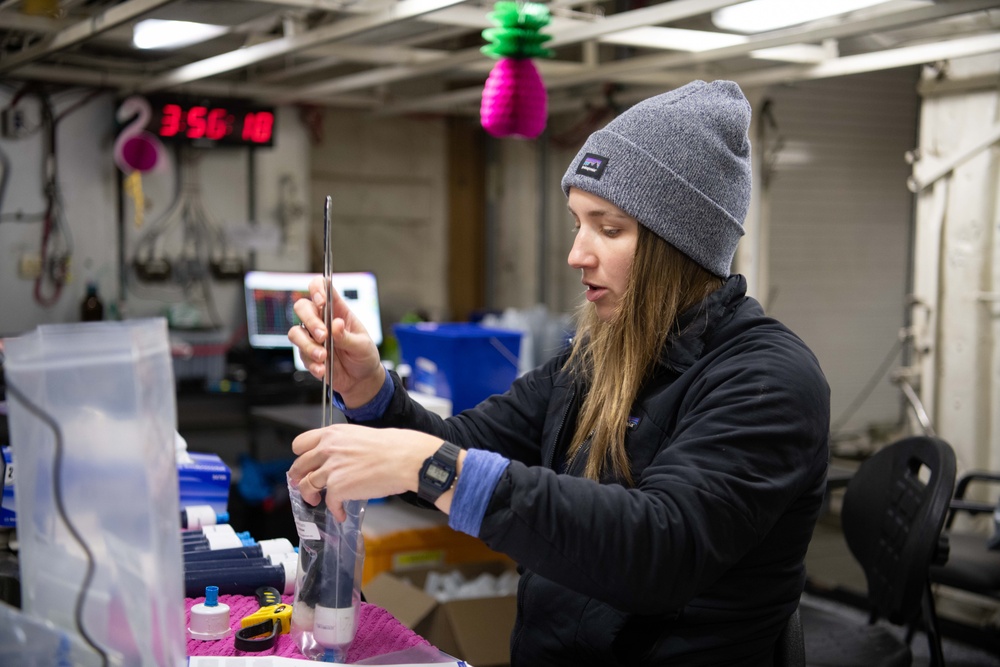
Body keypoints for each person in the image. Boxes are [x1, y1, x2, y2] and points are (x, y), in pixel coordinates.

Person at [288, 79, 830, 666]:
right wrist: (372, 395)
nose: (578, 253)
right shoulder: (598, 358)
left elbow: (660, 548)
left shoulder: (767, 380)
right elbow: (468, 447)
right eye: (578, 223)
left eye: (610, 227)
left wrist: (432, 466)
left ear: (681, 246)